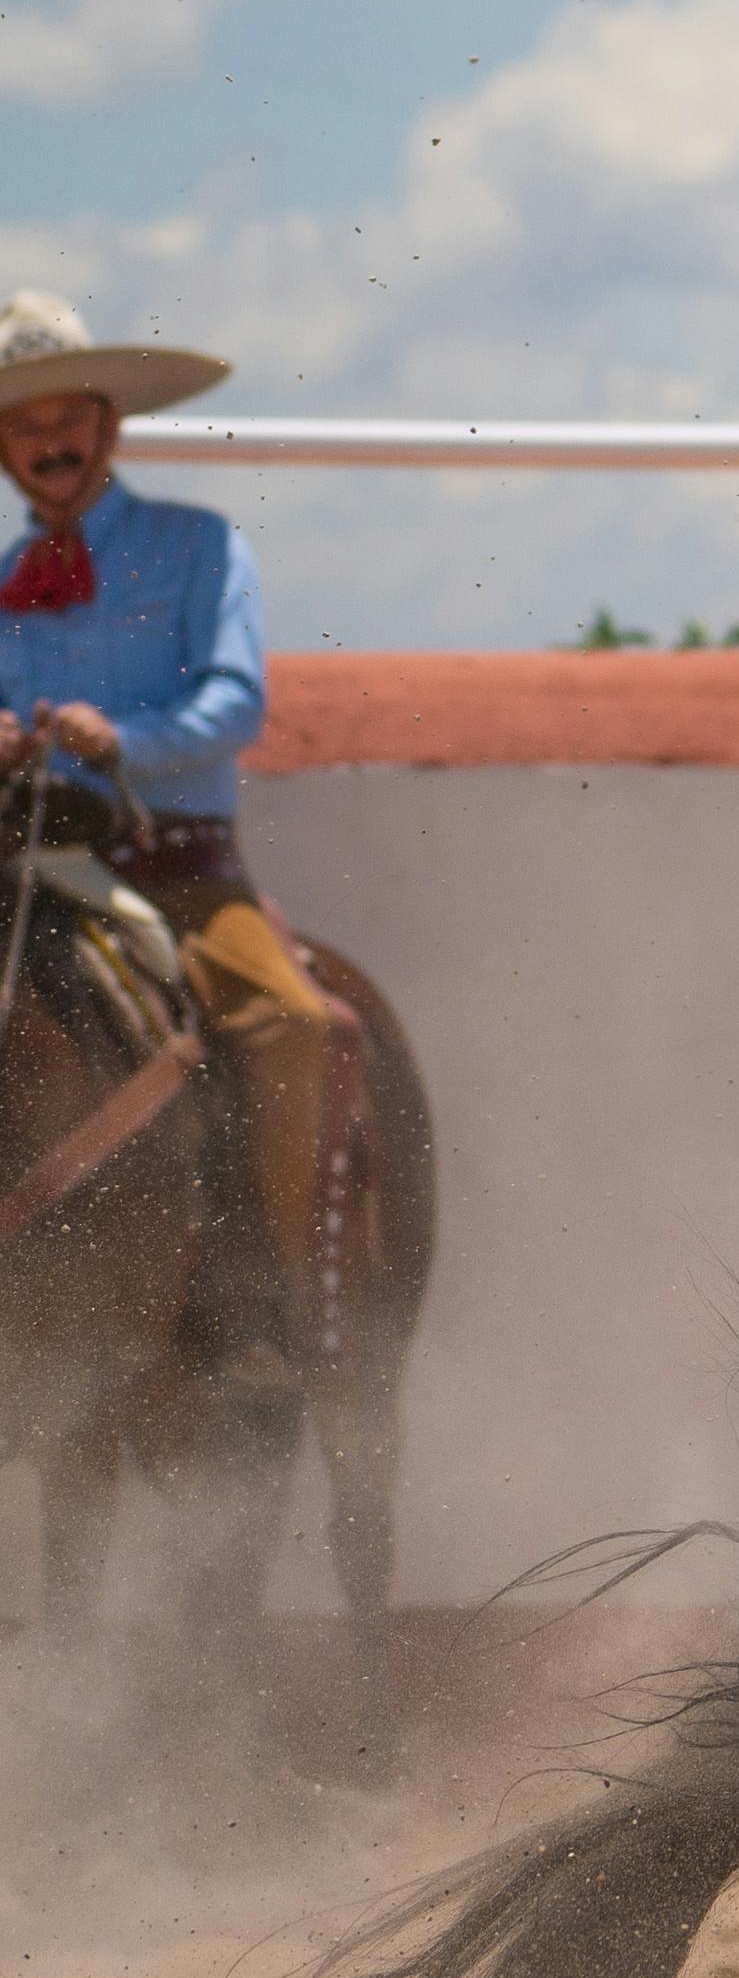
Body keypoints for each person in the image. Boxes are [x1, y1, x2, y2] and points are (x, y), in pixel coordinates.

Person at [0, 289, 350, 1388]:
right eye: (23, 423)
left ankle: (273, 1298)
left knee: (287, 1022)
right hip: (26, 872)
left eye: (67, 418)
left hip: (178, 867)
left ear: (105, 427)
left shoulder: (198, 548)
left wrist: (129, 737)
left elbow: (237, 706)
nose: (48, 441)